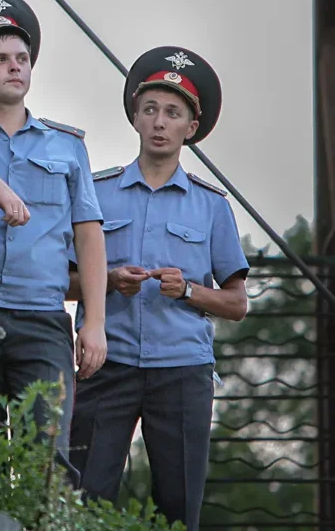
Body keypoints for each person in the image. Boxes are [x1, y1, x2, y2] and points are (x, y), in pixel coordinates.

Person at [66, 45, 250, 529]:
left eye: (173, 112)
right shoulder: (97, 192)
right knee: (83, 499)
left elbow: (236, 304)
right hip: (108, 364)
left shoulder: (212, 207)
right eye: (150, 110)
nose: (159, 122)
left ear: (191, 127)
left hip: (183, 373)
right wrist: (105, 282)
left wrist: (188, 291)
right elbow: (62, 282)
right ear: (135, 117)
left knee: (178, 509)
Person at [0, 0, 109, 473]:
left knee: (46, 460)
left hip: (42, 321)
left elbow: (89, 236)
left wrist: (93, 321)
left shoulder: (67, 146)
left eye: (21, 58)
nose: (14, 67)